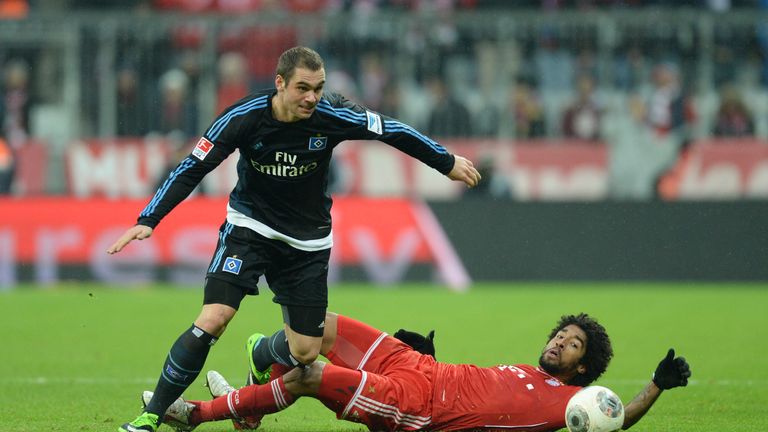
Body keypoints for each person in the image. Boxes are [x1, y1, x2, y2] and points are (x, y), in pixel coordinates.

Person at [109, 46, 481, 432]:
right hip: (250, 228)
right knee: (214, 318)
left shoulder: (331, 116)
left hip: (307, 242)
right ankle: (150, 416)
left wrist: (445, 161)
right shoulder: (244, 117)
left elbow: (392, 130)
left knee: (304, 352)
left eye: (318, 88)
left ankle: (260, 353)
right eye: (303, 88)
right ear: (280, 83)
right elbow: (193, 166)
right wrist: (149, 217)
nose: (311, 98)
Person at [148, 312, 691, 432]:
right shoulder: (530, 371)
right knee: (321, 327)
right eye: (561, 334)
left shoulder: (571, 409)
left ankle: (199, 414)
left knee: (310, 378)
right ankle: (252, 401)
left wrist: (654, 387)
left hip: (415, 406)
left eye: (573, 345)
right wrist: (428, 355)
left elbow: (617, 419)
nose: (559, 343)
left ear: (585, 368)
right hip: (419, 368)